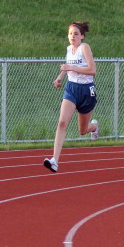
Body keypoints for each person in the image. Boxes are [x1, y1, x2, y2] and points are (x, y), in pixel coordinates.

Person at [43, 22, 99, 173]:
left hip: (86, 90)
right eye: (70, 33)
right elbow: (67, 66)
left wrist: (71, 68)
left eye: (76, 34)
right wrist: (59, 78)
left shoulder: (84, 47)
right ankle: (54, 160)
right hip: (71, 88)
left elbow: (92, 70)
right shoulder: (69, 49)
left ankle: (94, 127)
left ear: (82, 36)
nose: (72, 36)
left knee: (83, 130)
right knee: (62, 122)